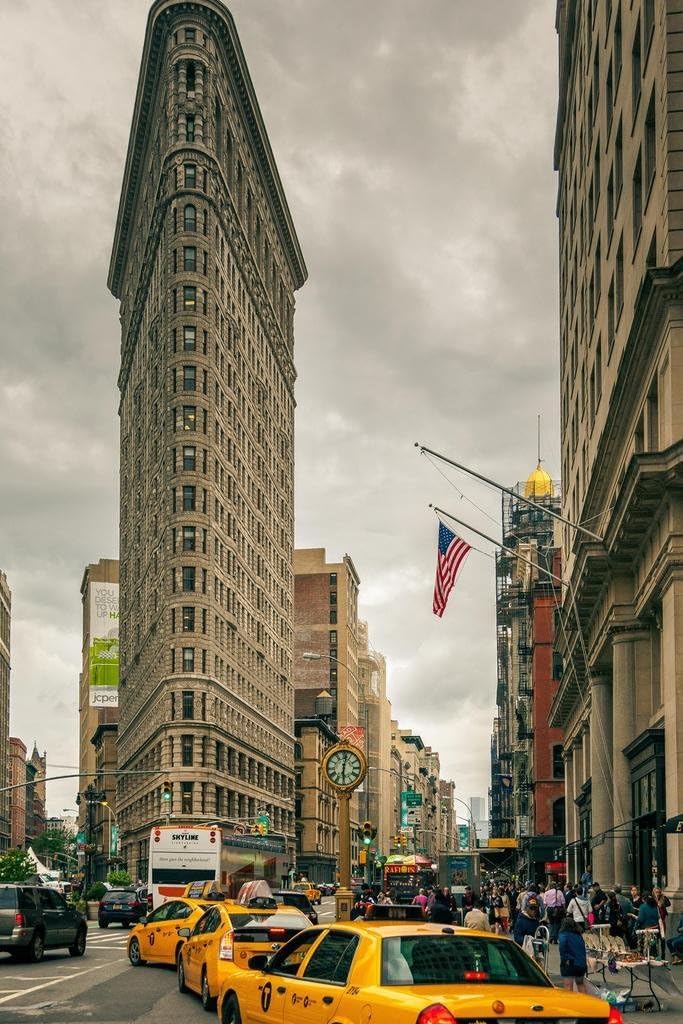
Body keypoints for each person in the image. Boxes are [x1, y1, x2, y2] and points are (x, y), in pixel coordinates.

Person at [559, 916, 588, 994]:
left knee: (568, 987)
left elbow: (562, 947)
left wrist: (565, 960)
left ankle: (570, 1005)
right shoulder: (579, 936)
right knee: (580, 984)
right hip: (581, 964)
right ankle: (585, 1003)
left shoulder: (563, 934)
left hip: (570, 963)